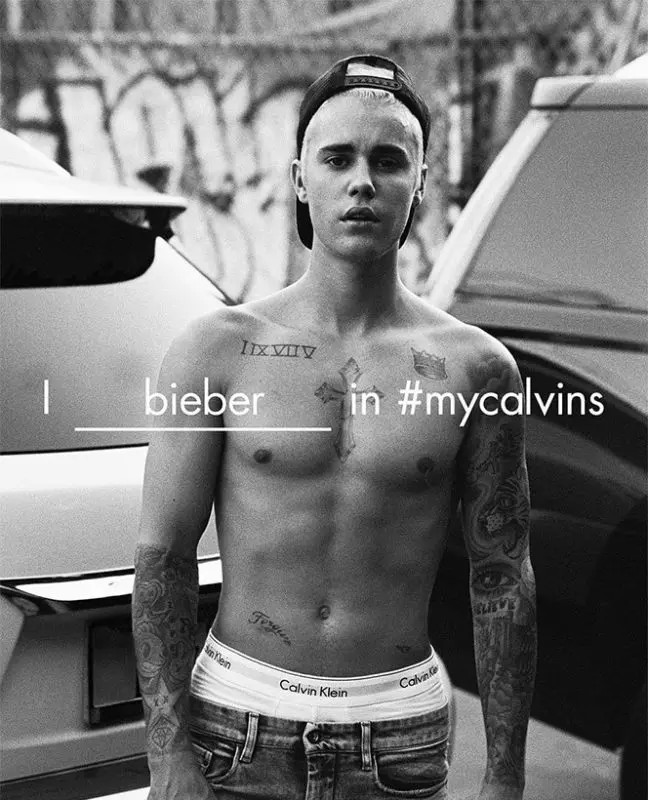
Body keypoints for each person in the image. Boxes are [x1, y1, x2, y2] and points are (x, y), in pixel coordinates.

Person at [132, 54, 537, 800]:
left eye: (388, 161)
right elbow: (164, 557)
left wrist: (505, 777)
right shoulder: (216, 349)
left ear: (420, 183)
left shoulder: (477, 369)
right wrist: (167, 755)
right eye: (338, 158)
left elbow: (502, 576)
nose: (362, 182)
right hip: (235, 726)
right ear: (299, 179)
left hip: (397, 736)